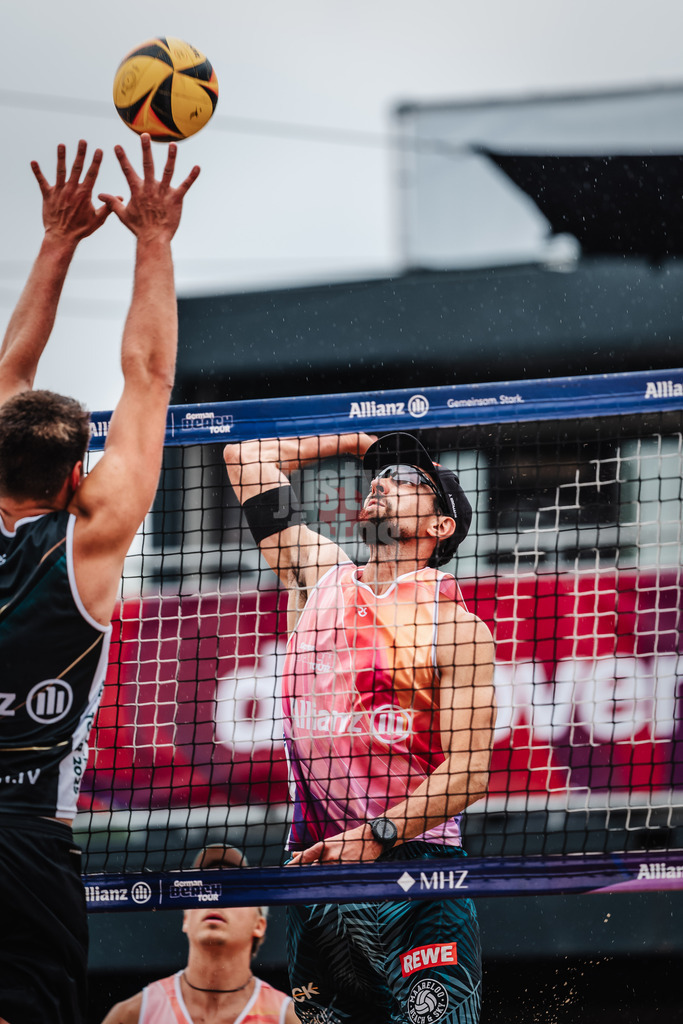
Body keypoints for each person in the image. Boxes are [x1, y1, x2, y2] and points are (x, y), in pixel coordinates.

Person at [0, 135, 199, 1024]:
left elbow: (10, 376)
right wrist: (151, 239)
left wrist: (55, 241)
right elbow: (148, 376)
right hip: (30, 840)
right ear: (76, 478)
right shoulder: (88, 536)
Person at [223, 432, 496, 1024]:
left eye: (408, 482)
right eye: (381, 476)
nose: (382, 482)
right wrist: (361, 443)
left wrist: (377, 833)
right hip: (318, 877)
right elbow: (244, 457)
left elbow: (472, 772)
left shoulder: (457, 629)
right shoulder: (319, 575)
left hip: (418, 876)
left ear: (441, 528)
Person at [101, 844, 298, 1024]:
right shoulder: (132, 1015)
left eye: (231, 889)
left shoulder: (287, 1017)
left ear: (259, 925)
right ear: (186, 920)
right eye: (202, 887)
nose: (213, 897)